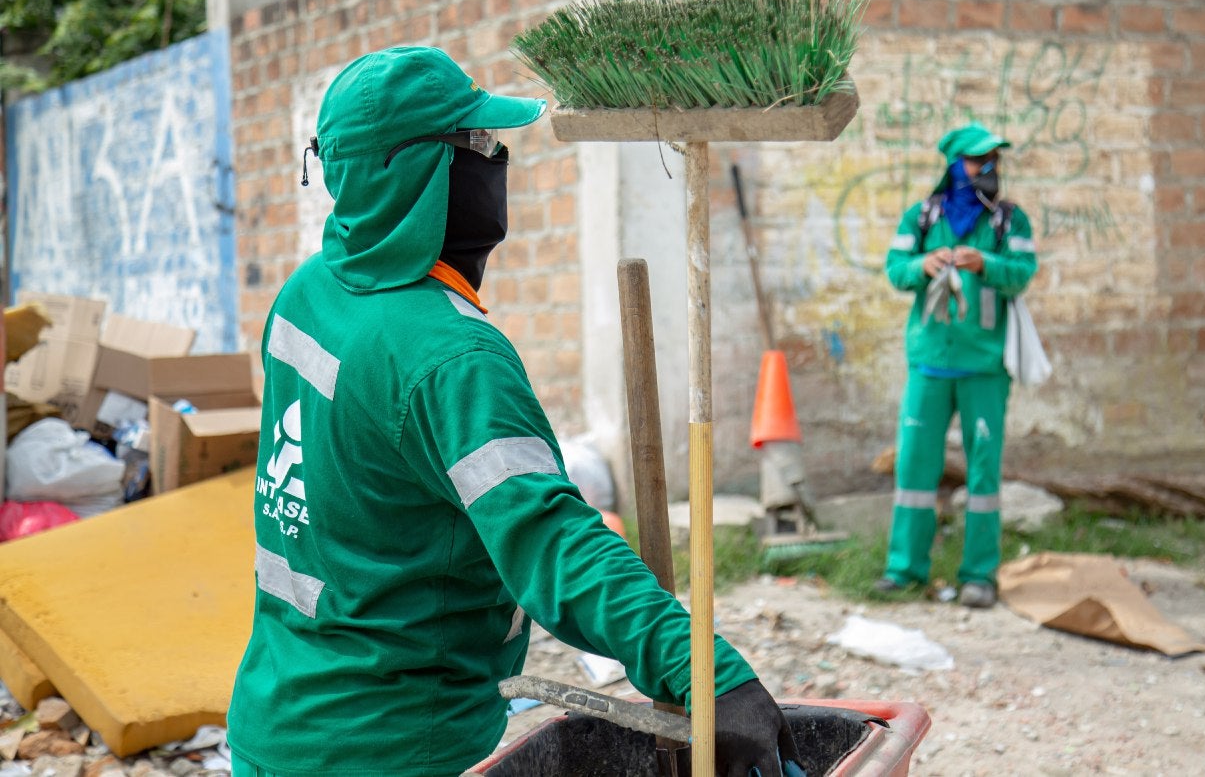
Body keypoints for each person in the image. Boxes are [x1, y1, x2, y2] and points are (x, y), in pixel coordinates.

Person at [225, 46, 804, 777]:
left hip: (272, 726)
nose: (497, 159)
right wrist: (706, 673)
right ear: (422, 171)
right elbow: (553, 542)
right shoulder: (452, 358)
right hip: (394, 748)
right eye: (480, 144)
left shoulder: (308, 293)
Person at [874, 122, 1039, 609]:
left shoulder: (1011, 221)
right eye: (976, 161)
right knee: (914, 467)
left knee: (983, 473)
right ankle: (904, 570)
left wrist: (985, 263)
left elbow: (1023, 273)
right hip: (928, 366)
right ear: (953, 165)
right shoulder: (922, 216)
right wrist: (922, 265)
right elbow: (894, 270)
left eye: (993, 161)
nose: (988, 170)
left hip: (985, 368)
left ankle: (979, 577)